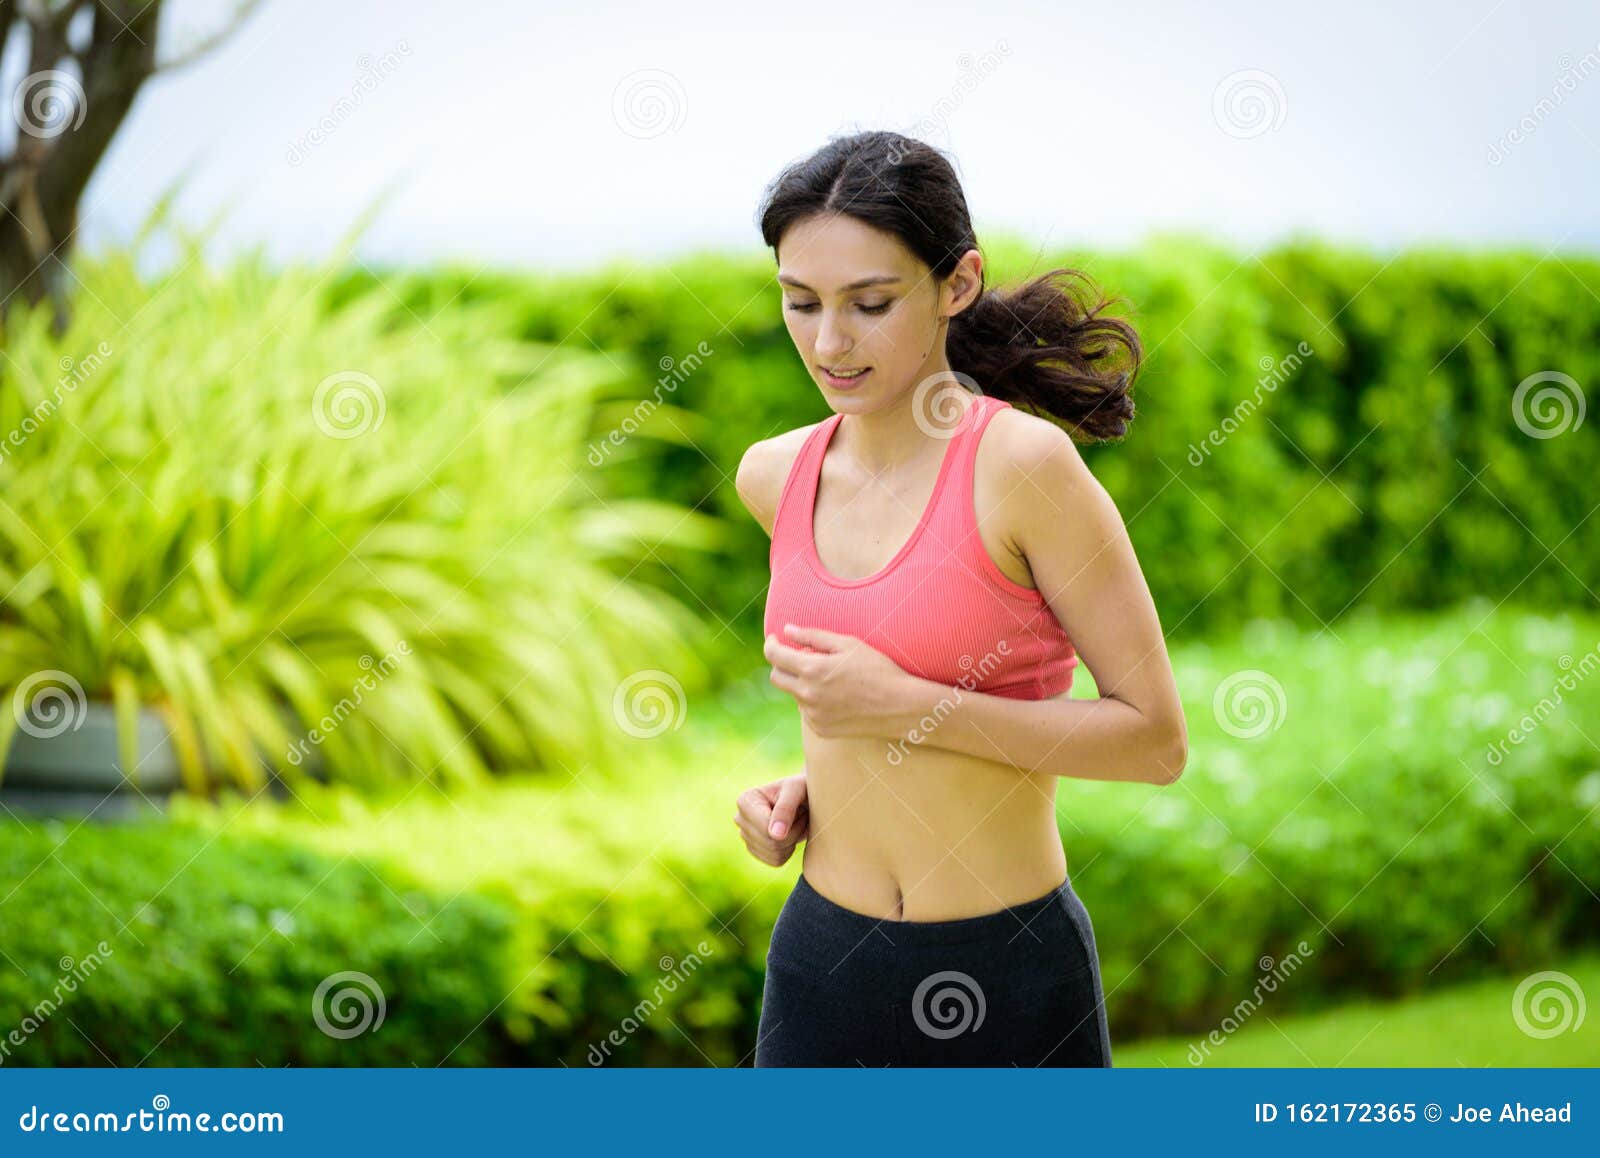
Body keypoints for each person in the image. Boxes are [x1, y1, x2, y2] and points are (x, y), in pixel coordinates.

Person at [732, 130, 1187, 1067]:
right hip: (823, 966)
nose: (829, 341)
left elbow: (1154, 741)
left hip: (1009, 970)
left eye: (870, 303)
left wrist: (911, 710)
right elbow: (856, 703)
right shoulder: (774, 478)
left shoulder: (1022, 469)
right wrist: (813, 791)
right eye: (800, 302)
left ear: (958, 284)